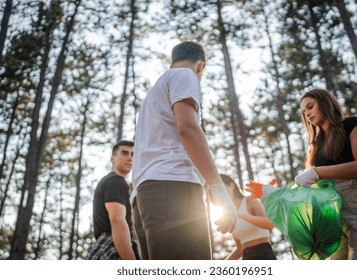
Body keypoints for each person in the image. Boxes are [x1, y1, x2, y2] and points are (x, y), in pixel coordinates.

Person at [131, 41, 237, 260]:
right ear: (201, 67)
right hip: (174, 189)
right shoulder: (185, 75)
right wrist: (217, 187)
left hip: (145, 197)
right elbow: (188, 128)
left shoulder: (151, 97)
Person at [295, 88, 357, 260]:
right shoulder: (314, 146)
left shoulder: (352, 124)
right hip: (333, 223)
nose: (307, 114)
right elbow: (310, 186)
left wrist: (318, 172)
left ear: (324, 102)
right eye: (304, 112)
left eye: (310, 106)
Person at [89, 140, 140, 260]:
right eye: (124, 153)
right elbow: (117, 221)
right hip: (114, 244)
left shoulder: (114, 182)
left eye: (133, 154)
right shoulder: (115, 181)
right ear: (113, 158)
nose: (129, 158)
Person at [219, 174, 277, 260]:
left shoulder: (250, 201)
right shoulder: (228, 214)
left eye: (222, 188)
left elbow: (269, 224)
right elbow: (239, 249)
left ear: (231, 185)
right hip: (246, 257)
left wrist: (241, 215)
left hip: (264, 254)